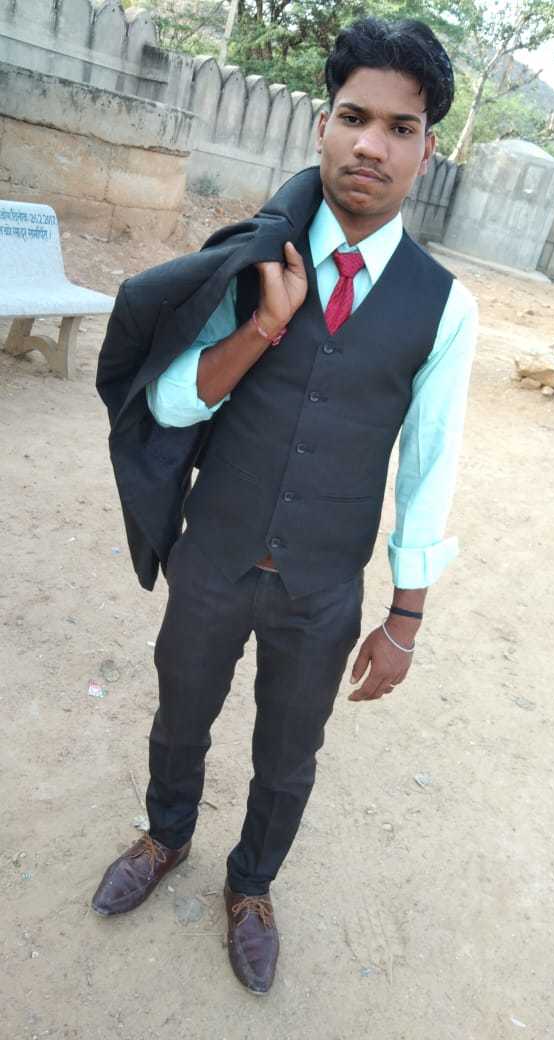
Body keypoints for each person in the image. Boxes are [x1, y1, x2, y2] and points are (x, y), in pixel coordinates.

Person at [92, 17, 477, 995]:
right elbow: (171, 403)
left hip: (320, 589)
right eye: (354, 117)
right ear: (322, 125)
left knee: (289, 754)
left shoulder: (445, 307)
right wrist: (266, 323)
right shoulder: (256, 256)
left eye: (398, 127)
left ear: (426, 148)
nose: (370, 145)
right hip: (214, 555)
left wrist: (405, 618)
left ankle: (253, 885)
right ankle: (166, 833)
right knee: (180, 714)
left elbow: (429, 467)